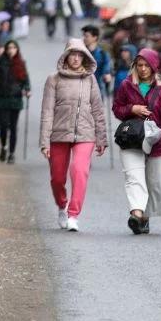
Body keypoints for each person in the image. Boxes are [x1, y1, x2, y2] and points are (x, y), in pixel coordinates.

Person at [39, 39, 108, 232]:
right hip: (58, 134)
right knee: (57, 178)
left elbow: (97, 109)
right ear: (66, 56)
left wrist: (101, 138)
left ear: (85, 58)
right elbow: (47, 112)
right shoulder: (53, 79)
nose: (76, 58)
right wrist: (44, 141)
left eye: (80, 55)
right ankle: (62, 205)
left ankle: (73, 215)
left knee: (79, 170)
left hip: (85, 133)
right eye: (73, 54)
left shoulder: (90, 79)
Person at [113, 48, 161, 234]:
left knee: (154, 183)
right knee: (134, 178)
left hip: (157, 141)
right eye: (139, 65)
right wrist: (131, 109)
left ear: (154, 67)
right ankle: (136, 214)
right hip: (132, 138)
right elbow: (117, 108)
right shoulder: (127, 85)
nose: (142, 69)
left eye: (146, 66)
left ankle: (145, 217)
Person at [0, 40, 31, 164]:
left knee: (13, 127)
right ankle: (4, 147)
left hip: (16, 98)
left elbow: (25, 79)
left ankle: (12, 153)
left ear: (17, 50)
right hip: (2, 98)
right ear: (5, 49)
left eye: (14, 48)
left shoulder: (21, 63)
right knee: (4, 125)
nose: (11, 50)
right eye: (9, 48)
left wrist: (27, 90)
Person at [82, 25, 114, 98]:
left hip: (97, 90)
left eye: (87, 36)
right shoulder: (81, 53)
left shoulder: (103, 54)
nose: (84, 38)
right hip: (82, 89)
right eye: (84, 36)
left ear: (94, 37)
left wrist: (107, 74)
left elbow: (107, 67)